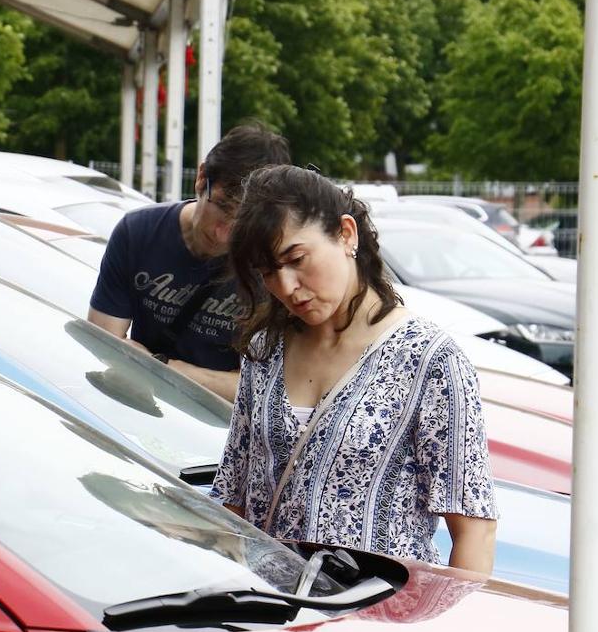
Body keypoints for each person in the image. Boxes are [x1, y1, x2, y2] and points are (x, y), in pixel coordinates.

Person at [209, 165, 497, 574]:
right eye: (269, 272)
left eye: (297, 259)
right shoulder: (266, 350)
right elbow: (235, 498)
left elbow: (473, 530)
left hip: (378, 620)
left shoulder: (429, 358)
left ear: (346, 234)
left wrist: (449, 629)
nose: (287, 286)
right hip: (270, 619)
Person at [88, 123, 292, 402]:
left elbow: (261, 391)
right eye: (221, 206)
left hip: (215, 430)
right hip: (137, 407)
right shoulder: (137, 233)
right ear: (201, 177)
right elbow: (103, 344)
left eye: (243, 222)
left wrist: (162, 366)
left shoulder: (271, 269)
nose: (225, 233)